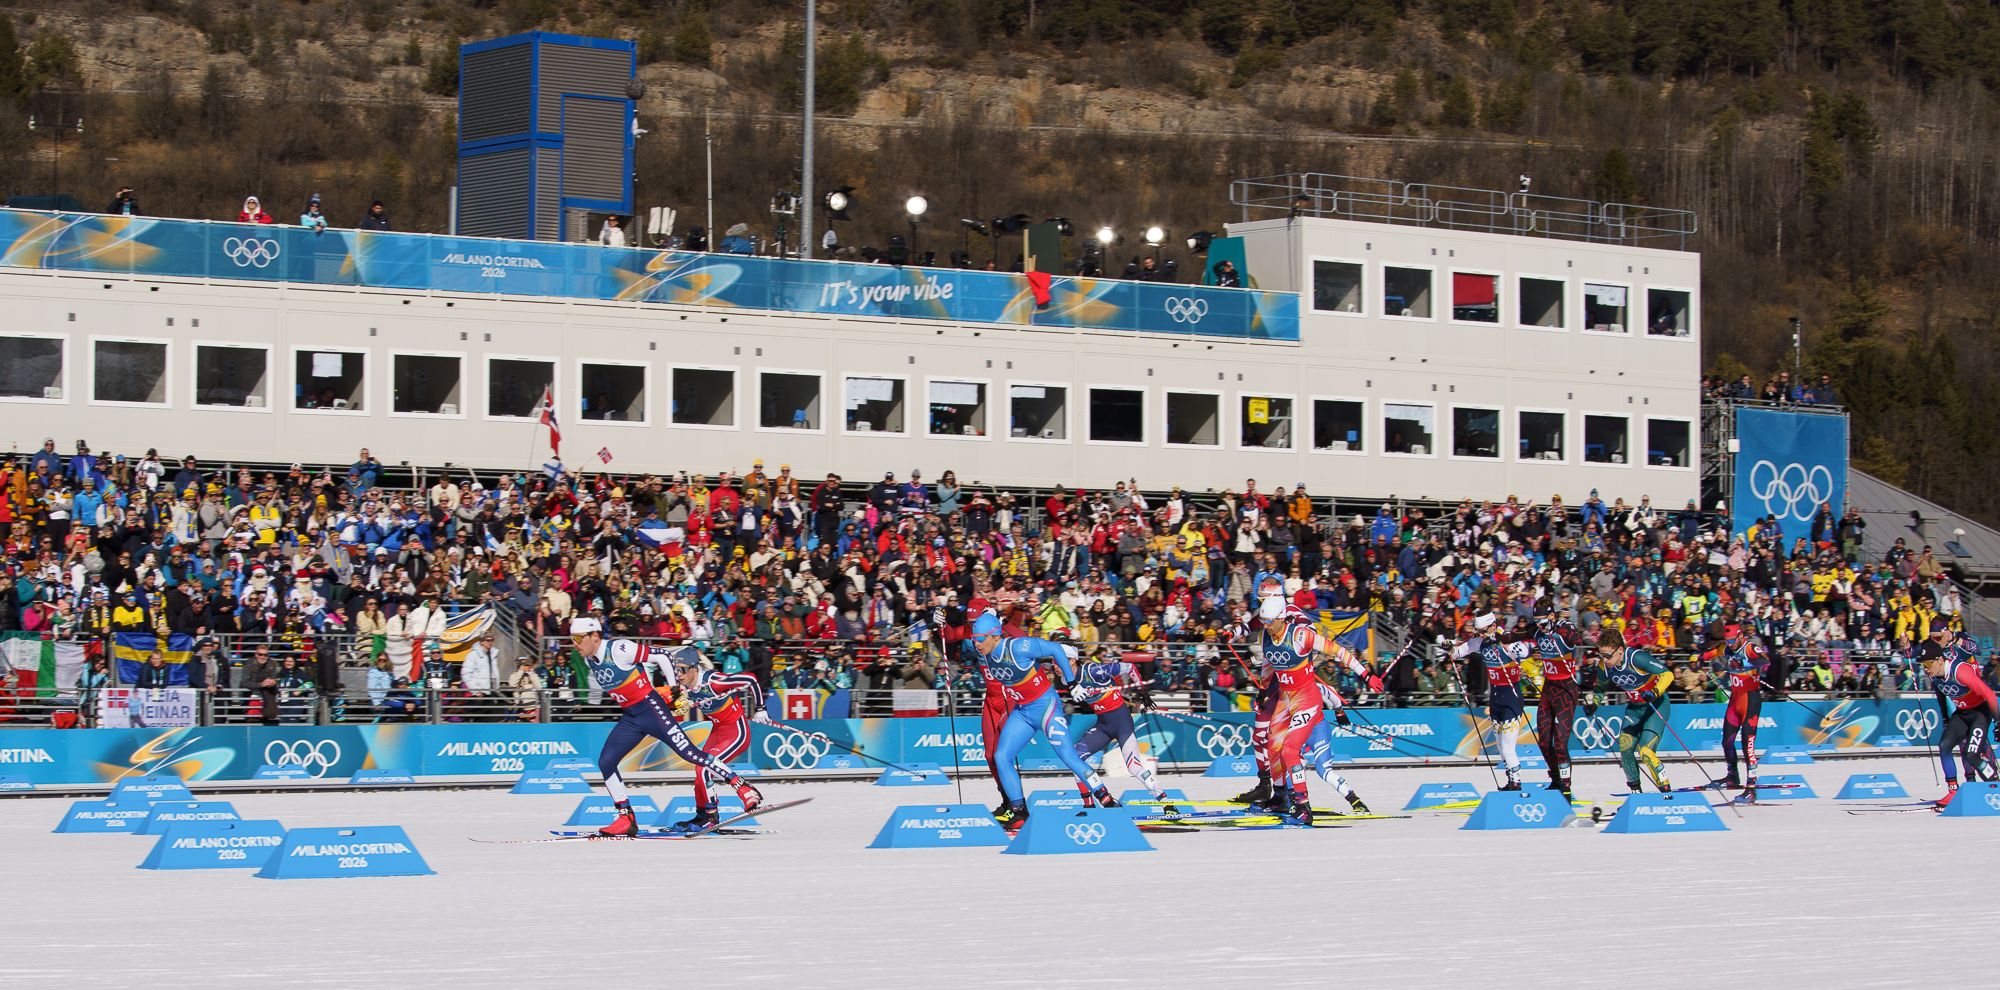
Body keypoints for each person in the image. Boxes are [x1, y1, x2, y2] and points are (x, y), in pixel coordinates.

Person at [568, 617, 760, 837]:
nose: (574, 643)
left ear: (594, 636)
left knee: (691, 754)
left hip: (652, 710)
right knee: (606, 762)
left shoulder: (620, 649)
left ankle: (743, 787)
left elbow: (662, 655)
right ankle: (626, 818)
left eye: (577, 638)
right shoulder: (589, 660)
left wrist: (674, 688)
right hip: (631, 717)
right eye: (572, 639)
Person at [967, 612, 1109, 831]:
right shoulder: (987, 655)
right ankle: (1019, 811)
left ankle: (1106, 798)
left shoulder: (1018, 647)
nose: (975, 643)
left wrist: (1071, 683)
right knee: (1001, 756)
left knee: (1067, 756)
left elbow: (1054, 649)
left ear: (995, 636)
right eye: (973, 638)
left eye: (979, 638)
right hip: (1022, 711)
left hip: (1045, 707)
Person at [1254, 590, 1375, 822]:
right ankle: (1280, 796)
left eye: (1269, 621)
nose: (1266, 625)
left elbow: (1339, 652)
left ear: (1282, 617)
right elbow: (1269, 665)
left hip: (1306, 699)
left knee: (1290, 749)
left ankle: (1303, 805)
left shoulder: (1301, 636)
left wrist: (1366, 675)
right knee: (1272, 745)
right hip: (1285, 699)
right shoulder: (1264, 637)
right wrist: (1263, 690)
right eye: (1263, 621)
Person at [657, 643, 774, 831]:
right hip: (718, 730)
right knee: (699, 770)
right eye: (676, 670)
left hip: (736, 731)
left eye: (683, 670)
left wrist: (760, 708)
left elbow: (750, 679)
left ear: (695, 669)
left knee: (704, 767)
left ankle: (714, 815)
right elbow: (679, 700)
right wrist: (682, 703)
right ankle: (702, 815)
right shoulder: (685, 685)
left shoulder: (714, 681)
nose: (679, 674)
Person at [1067, 646, 1176, 813]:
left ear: (1072, 660)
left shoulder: (1093, 670)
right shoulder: (1066, 679)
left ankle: (1166, 803)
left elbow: (1130, 667)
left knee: (1133, 766)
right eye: (1053, 663)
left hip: (1121, 723)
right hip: (1103, 725)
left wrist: (1142, 691)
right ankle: (1089, 806)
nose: (1055, 666)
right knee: (1076, 758)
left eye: (1058, 662)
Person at [1452, 611, 1534, 790]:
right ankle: (1510, 780)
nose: (1480, 635)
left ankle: (1517, 783)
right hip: (1495, 700)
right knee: (1499, 746)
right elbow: (1459, 652)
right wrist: (1449, 648)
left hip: (1512, 699)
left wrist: (1505, 642)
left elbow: (1527, 651)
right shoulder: (1481, 642)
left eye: (1483, 631)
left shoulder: (1507, 639)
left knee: (1507, 747)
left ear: (1493, 626)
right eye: (1478, 631)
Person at [1591, 627, 1675, 794]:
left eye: (1608, 655)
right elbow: (1600, 687)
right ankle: (1636, 793)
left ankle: (1665, 790)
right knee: (1625, 747)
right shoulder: (1604, 665)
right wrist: (1594, 704)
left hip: (1655, 705)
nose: (1605, 659)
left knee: (1645, 751)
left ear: (1620, 650)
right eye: (1602, 655)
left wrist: (1655, 692)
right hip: (1635, 709)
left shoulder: (1637, 658)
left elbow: (1668, 674)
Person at [1921, 626, 1997, 809]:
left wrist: (1999, 723)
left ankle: (1996, 784)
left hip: (1980, 712)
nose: (1927, 670)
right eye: (1924, 666)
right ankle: (1954, 791)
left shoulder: (1960, 671)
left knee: (1972, 755)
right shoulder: (1934, 674)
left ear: (1940, 660)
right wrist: (1946, 718)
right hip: (1962, 713)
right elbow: (1940, 695)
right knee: (1944, 746)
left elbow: (1990, 694)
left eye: (1929, 665)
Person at [1701, 623, 1769, 791]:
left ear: (1740, 635)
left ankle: (1751, 786)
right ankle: (1732, 776)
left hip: (1750, 700)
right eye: (1727, 640)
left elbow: (1765, 661)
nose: (1730, 644)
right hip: (1735, 701)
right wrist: (1698, 659)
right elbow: (1709, 653)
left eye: (1732, 640)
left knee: (1748, 745)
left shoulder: (1749, 647)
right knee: (1727, 741)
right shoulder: (1727, 648)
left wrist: (1745, 662)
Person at [1529, 598, 1585, 798]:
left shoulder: (1562, 628)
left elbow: (1578, 640)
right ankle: (1555, 780)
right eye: (1536, 621)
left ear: (1552, 616)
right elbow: (1513, 636)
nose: (1539, 625)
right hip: (1548, 689)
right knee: (1544, 741)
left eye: (1543, 621)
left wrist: (1558, 628)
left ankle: (1566, 788)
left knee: (1560, 743)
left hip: (1566, 690)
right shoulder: (1537, 630)